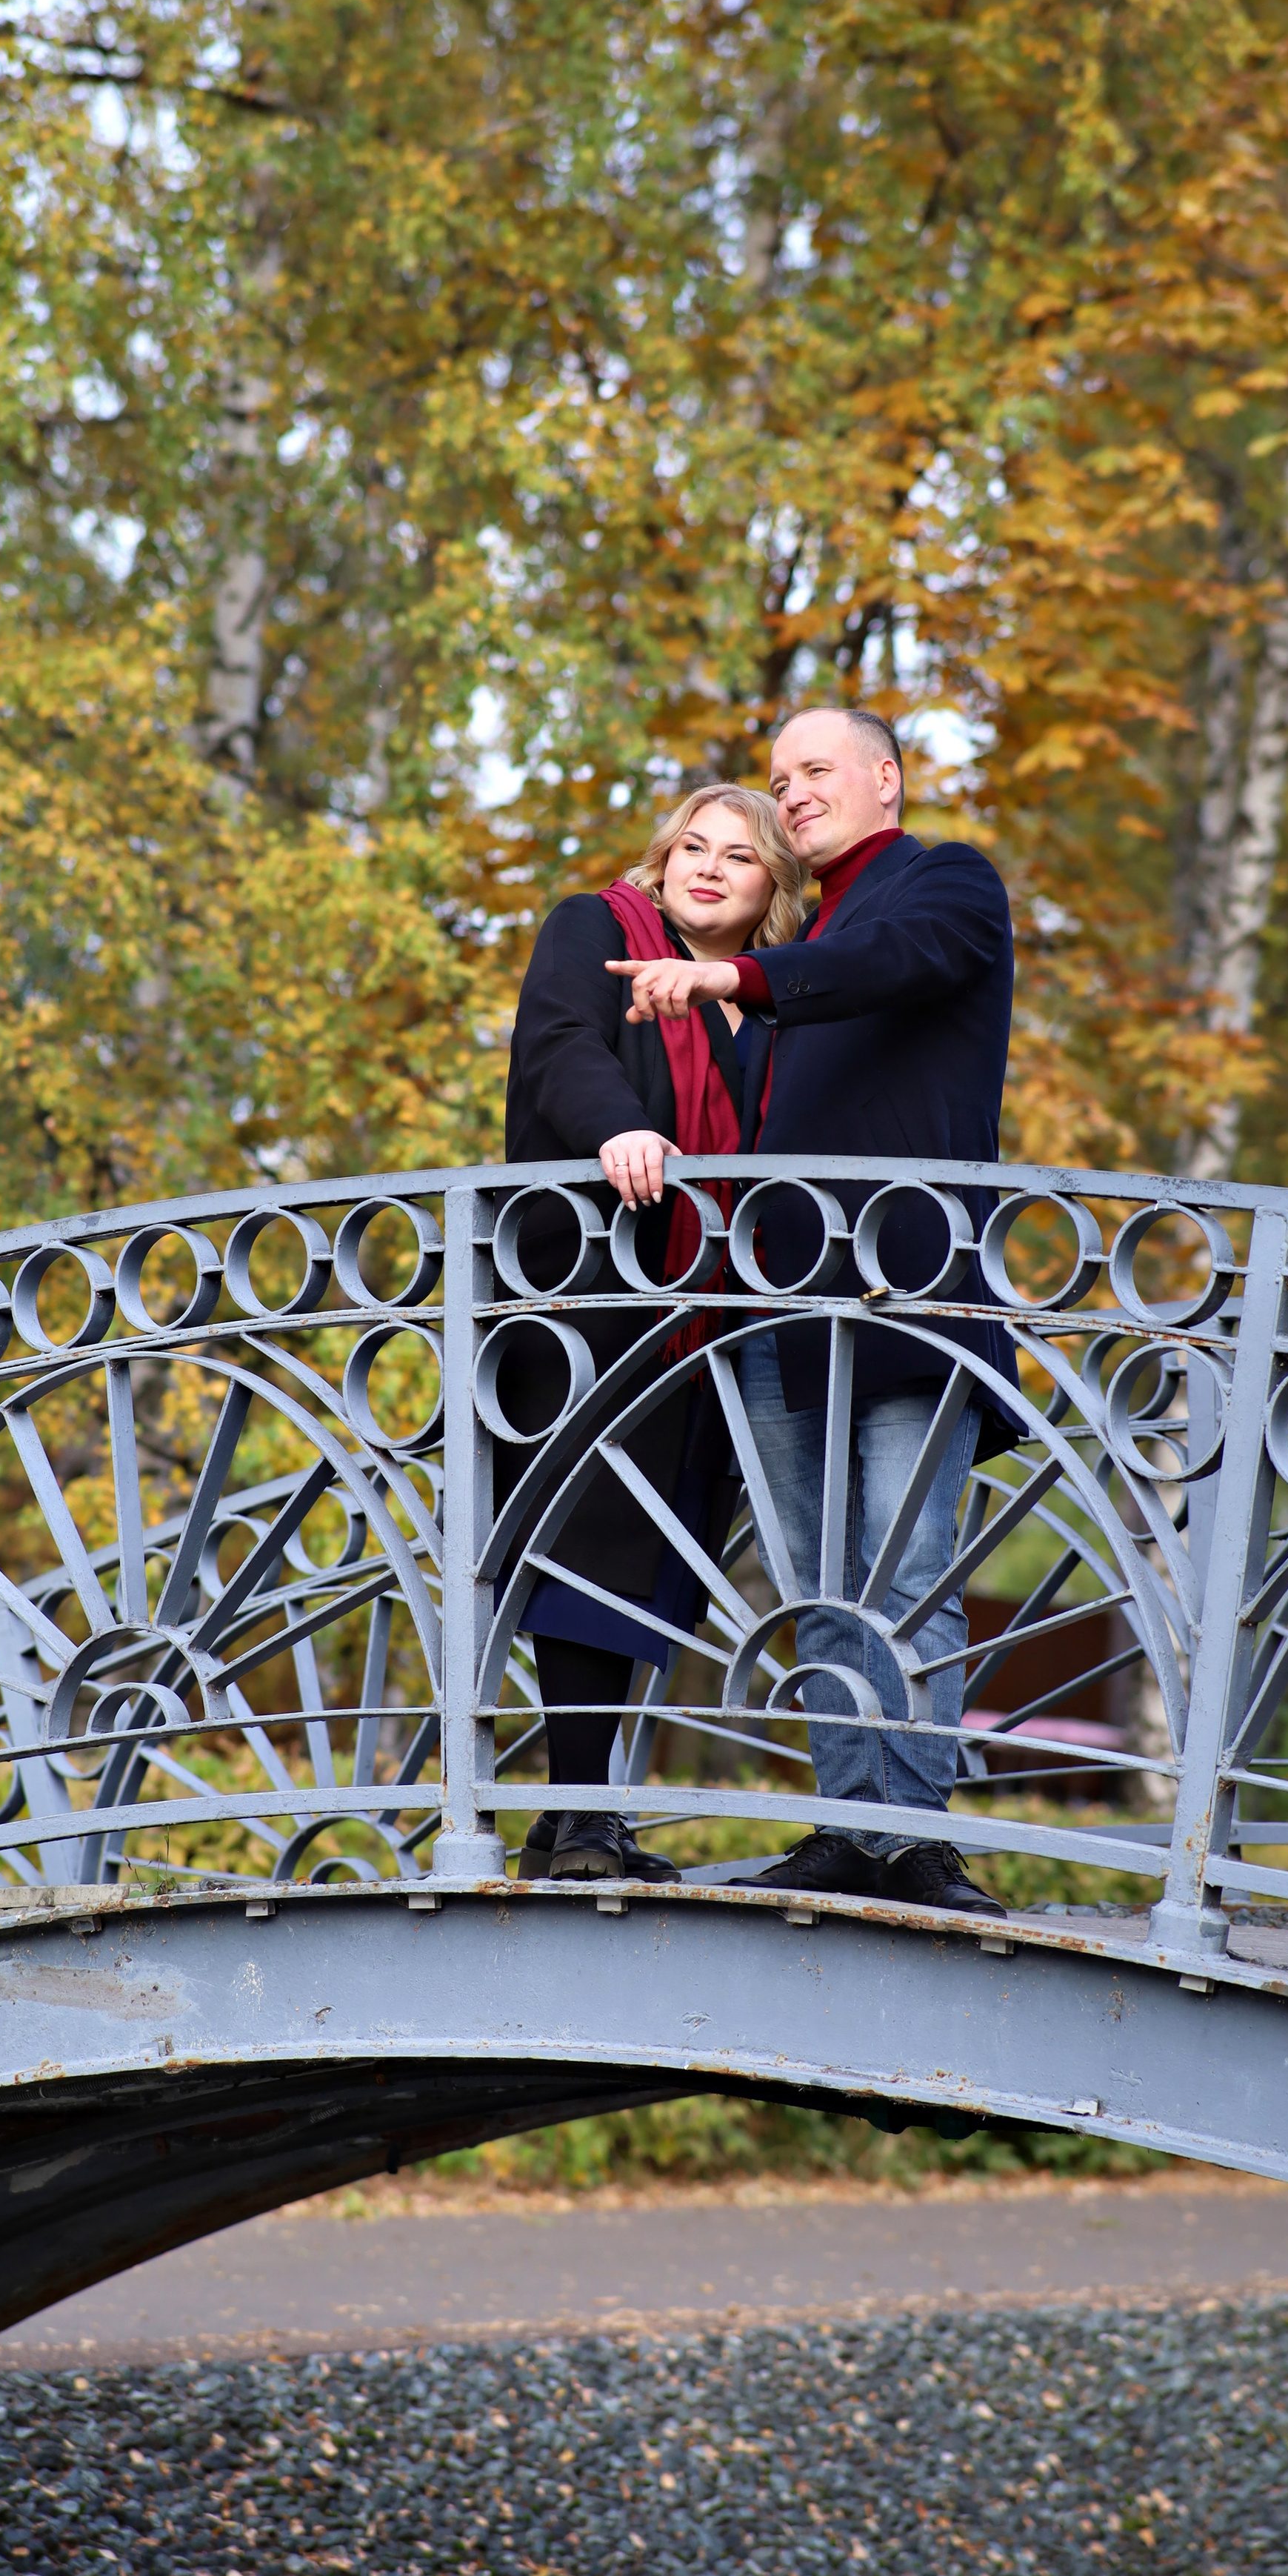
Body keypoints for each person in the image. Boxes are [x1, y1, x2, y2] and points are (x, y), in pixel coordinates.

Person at [603, 707, 1015, 1914]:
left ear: (884, 779)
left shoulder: (943, 885)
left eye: (814, 771)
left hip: (907, 1296)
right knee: (821, 1587)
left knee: (909, 1573)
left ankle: (911, 1838)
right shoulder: (804, 938)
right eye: (778, 779)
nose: (790, 795)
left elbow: (892, 968)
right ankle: (846, 1826)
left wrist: (735, 973)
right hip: (779, 1310)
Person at [501, 784, 803, 1879]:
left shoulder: (764, 1007)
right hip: (584, 1290)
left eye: (740, 856)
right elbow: (560, 1046)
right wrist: (620, 1125)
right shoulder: (599, 928)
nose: (709, 868)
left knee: (656, 1562)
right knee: (589, 1544)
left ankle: (577, 1813)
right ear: (661, 857)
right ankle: (581, 1818)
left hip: (706, 1311)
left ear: (774, 888)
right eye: (692, 846)